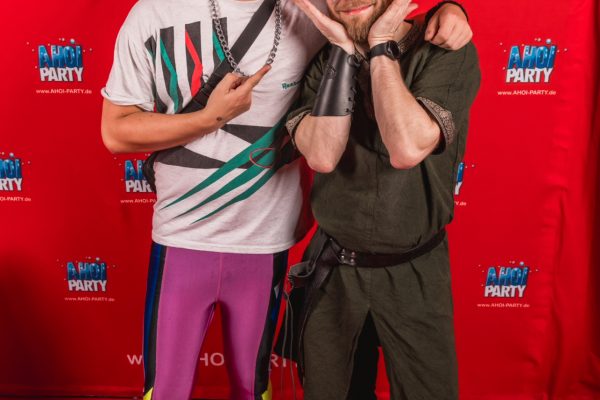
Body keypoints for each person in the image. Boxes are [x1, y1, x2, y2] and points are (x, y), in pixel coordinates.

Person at [100, 0, 473, 398]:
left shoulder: (315, 13)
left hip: (284, 245)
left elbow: (375, 25)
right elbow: (115, 133)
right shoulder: (157, 13)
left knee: (255, 386)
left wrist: (449, 11)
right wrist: (209, 118)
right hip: (207, 241)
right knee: (168, 389)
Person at [285, 0, 481, 399]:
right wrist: (345, 53)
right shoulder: (322, 60)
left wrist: (380, 45)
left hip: (415, 270)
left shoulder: (443, 49)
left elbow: (406, 148)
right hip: (335, 269)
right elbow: (322, 156)